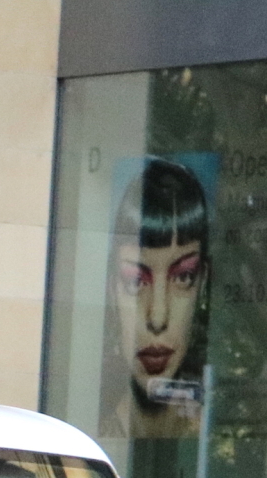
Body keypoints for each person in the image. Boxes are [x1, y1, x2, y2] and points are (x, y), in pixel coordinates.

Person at [107, 157, 210, 440]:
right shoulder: (89, 442)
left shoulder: (207, 443)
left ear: (202, 284)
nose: (157, 317)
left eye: (182, 277)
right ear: (110, 289)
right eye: (136, 281)